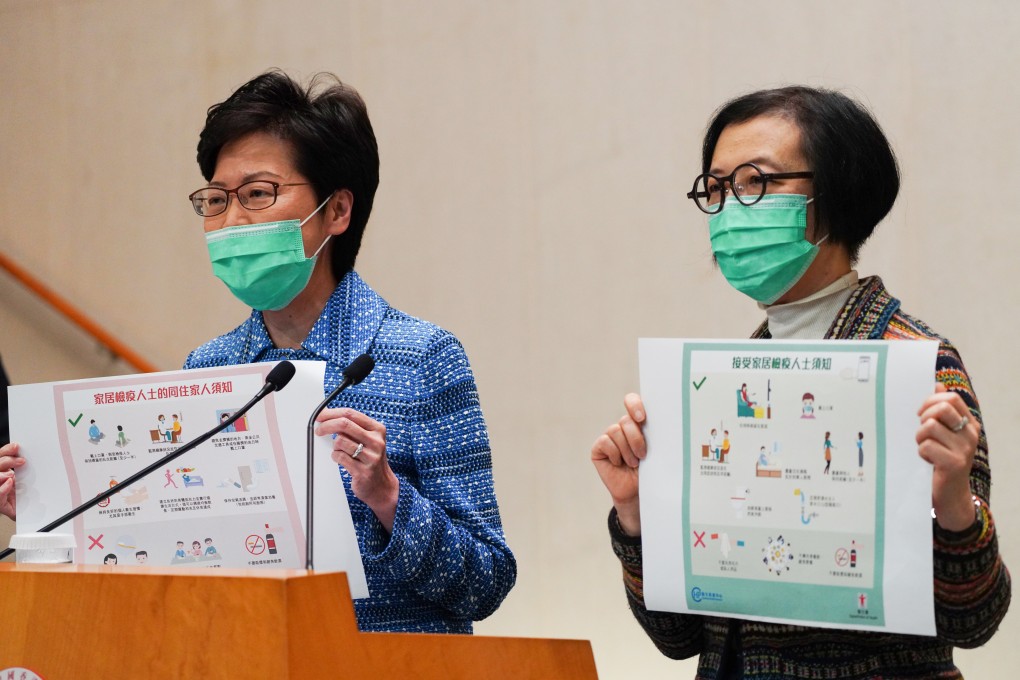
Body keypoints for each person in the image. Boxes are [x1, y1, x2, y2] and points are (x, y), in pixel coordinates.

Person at [590, 86, 1010, 678]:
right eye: (716, 188)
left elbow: (976, 620)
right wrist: (635, 513)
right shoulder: (719, 387)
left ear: (835, 194)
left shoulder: (916, 365)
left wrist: (954, 502)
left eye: (755, 182)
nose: (731, 208)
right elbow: (678, 637)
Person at [182, 70, 515, 633]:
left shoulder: (422, 357)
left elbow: (484, 581)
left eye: (258, 194)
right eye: (215, 200)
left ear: (336, 211)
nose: (231, 220)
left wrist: (389, 498)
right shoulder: (208, 370)